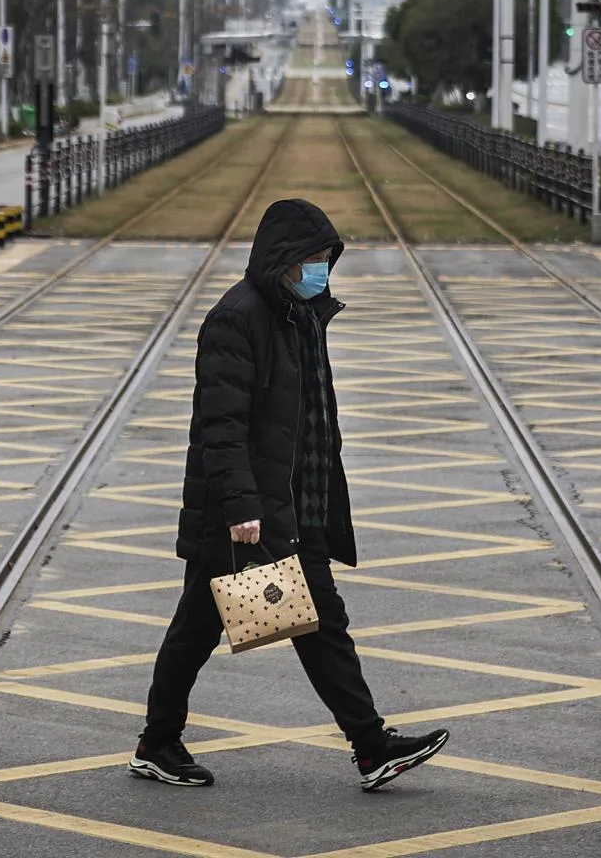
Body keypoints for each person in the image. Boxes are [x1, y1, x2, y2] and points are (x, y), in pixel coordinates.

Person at [130, 198, 449, 791]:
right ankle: (366, 745)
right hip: (249, 512)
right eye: (313, 259)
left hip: (294, 504)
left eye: (327, 259)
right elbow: (219, 426)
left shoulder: (300, 315)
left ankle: (162, 741)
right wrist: (242, 506)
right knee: (258, 626)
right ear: (283, 260)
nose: (321, 270)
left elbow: (304, 418)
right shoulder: (238, 318)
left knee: (267, 624)